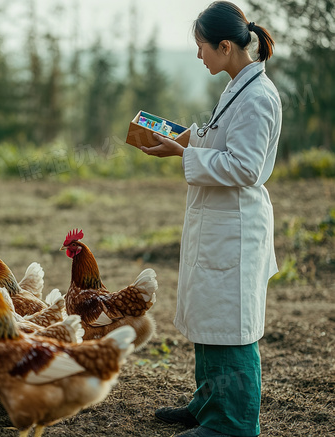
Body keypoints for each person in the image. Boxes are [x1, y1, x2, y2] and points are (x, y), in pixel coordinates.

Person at [140, 2, 281, 437]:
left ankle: (233, 423)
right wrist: (183, 139)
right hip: (219, 224)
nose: (198, 55)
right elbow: (220, 138)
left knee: (230, 326)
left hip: (236, 230)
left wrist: (186, 154)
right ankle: (208, 403)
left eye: (201, 47)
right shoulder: (238, 85)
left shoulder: (258, 97)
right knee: (209, 317)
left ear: (225, 46)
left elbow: (245, 167)